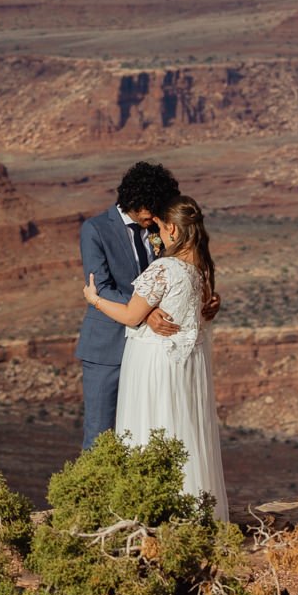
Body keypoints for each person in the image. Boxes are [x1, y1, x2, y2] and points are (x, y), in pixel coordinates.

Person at [82, 195, 229, 513]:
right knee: (179, 429)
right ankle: (190, 508)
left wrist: (94, 299)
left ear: (173, 229)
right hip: (179, 363)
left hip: (153, 363)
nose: (158, 235)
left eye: (161, 228)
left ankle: (148, 511)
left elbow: (133, 316)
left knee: (148, 427)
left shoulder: (164, 268)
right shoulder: (200, 270)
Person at [74, 161, 217, 451]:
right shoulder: (96, 230)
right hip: (108, 350)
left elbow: (177, 272)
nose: (155, 221)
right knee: (101, 437)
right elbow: (101, 286)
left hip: (151, 355)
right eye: (152, 211)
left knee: (144, 433)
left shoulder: (158, 230)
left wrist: (203, 296)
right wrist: (145, 313)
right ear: (136, 203)